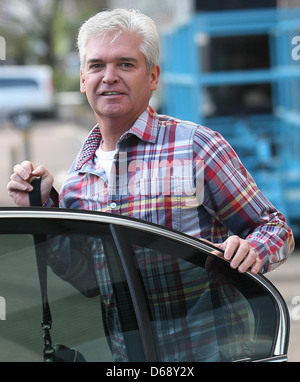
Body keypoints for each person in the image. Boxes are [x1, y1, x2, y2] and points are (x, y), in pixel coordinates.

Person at [6, 8, 294, 360]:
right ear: (82, 79)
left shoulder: (196, 147)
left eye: (125, 64)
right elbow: (90, 282)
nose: (109, 77)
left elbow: (276, 229)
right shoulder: (78, 181)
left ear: (154, 76)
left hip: (214, 355)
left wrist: (252, 251)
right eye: (97, 66)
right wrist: (43, 208)